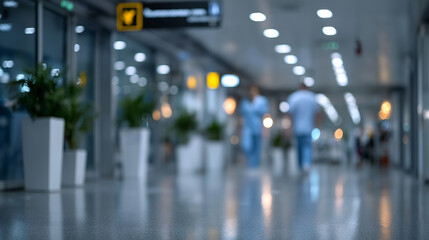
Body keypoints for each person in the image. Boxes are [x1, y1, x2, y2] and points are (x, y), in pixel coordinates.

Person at [288, 82, 320, 172]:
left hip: (297, 128)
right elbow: (317, 113)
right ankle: (306, 164)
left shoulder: (294, 97)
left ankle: (301, 165)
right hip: (308, 128)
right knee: (307, 147)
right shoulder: (312, 97)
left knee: (299, 148)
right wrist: (316, 125)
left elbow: (290, 114)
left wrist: (289, 128)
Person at [239, 85, 269, 168]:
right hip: (247, 128)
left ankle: (255, 165)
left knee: (257, 147)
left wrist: (266, 129)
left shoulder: (262, 101)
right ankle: (250, 163)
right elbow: (242, 116)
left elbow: (265, 115)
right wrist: (240, 129)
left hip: (258, 127)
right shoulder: (245, 102)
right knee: (247, 146)